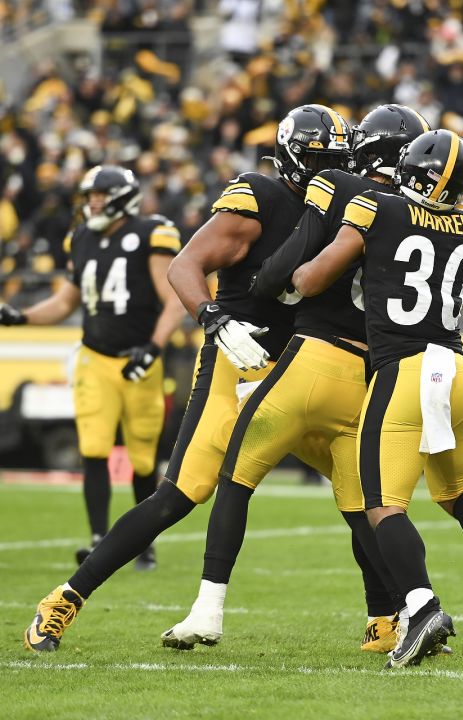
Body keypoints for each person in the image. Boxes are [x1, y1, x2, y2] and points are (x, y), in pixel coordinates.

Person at [19, 104, 349, 653]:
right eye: (319, 160)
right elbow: (183, 266)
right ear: (292, 155)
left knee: (361, 488)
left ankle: (390, 615)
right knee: (179, 495)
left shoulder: (343, 207)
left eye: (335, 161)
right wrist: (212, 317)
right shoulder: (259, 197)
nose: (328, 172)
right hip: (235, 360)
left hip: (297, 369)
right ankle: (63, 601)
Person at [161, 104, 429, 655]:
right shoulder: (419, 214)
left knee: (235, 476)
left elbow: (285, 276)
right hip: (381, 370)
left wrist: (271, 287)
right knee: (372, 506)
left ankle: (208, 609)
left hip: (310, 360)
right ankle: (412, 612)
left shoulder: (336, 189)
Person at [293, 129, 463, 668]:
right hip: (456, 371)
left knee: (382, 504)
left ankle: (421, 606)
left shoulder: (377, 208)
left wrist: (297, 268)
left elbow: (313, 280)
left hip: (402, 370)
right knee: (458, 492)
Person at [0, 165, 186, 568]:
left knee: (144, 458)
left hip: (137, 360)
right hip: (95, 357)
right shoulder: (81, 238)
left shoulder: (151, 233)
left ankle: (142, 543)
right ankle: (99, 538)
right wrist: (21, 316)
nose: (92, 203)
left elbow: (174, 299)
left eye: (98, 195)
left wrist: (151, 347)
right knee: (93, 448)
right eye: (89, 196)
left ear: (121, 197)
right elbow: (65, 302)